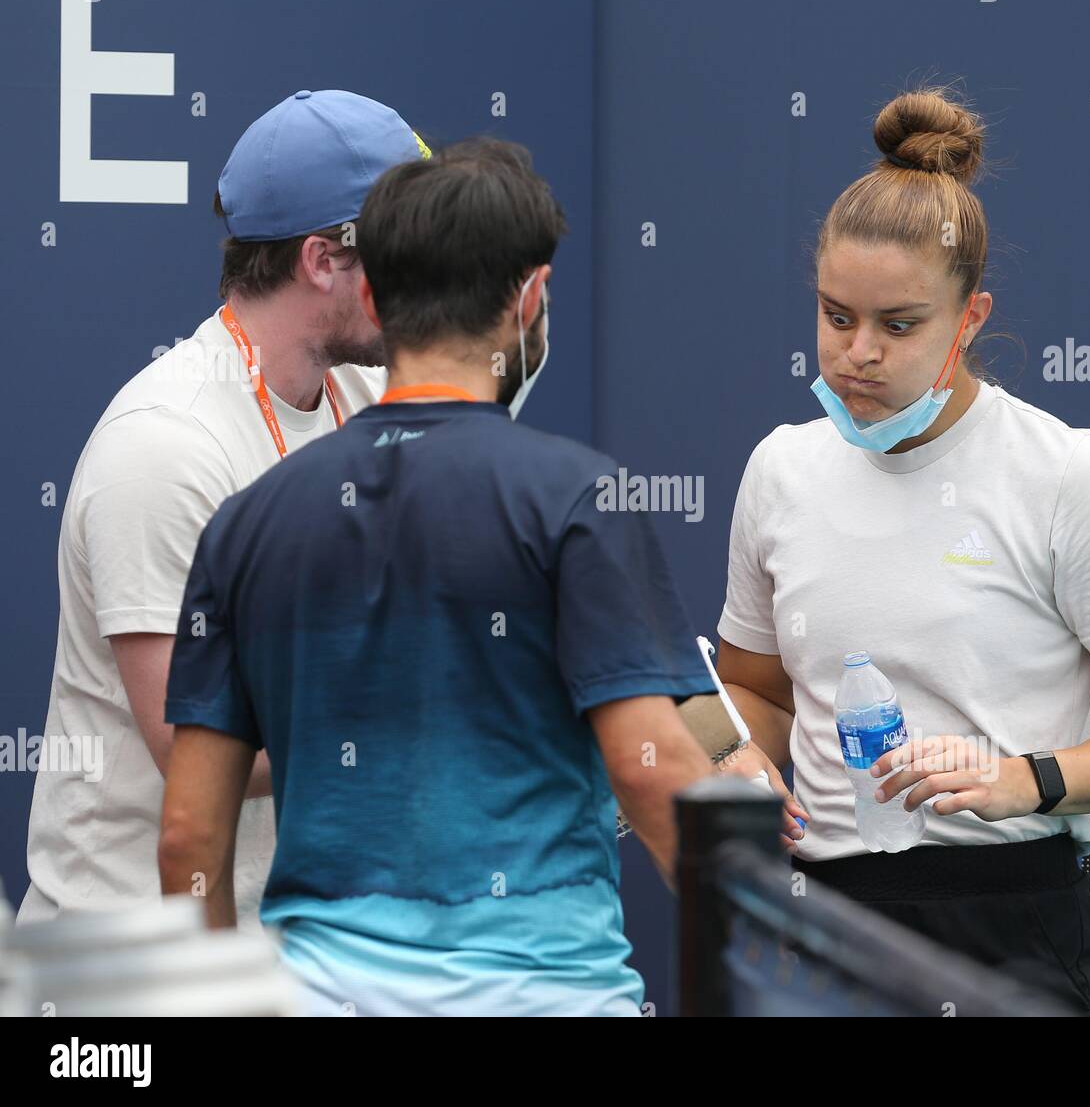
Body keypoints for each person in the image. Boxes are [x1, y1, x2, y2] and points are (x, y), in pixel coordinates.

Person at [158, 137, 793, 1016]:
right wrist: (774, 958)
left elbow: (189, 834)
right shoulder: (579, 500)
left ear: (375, 297)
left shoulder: (244, 525)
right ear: (530, 298)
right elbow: (649, 771)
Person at [714, 88, 1090, 1016]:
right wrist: (740, 759)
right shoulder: (779, 470)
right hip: (817, 927)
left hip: (1014, 931)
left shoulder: (1073, 476)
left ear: (971, 318)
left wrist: (1024, 780)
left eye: (899, 326)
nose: (857, 353)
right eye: (835, 316)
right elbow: (757, 689)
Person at [20, 90, 430, 928]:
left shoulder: (370, 393)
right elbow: (192, 744)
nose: (435, 277)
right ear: (323, 260)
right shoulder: (164, 447)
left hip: (297, 947)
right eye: (412, 249)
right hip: (133, 967)